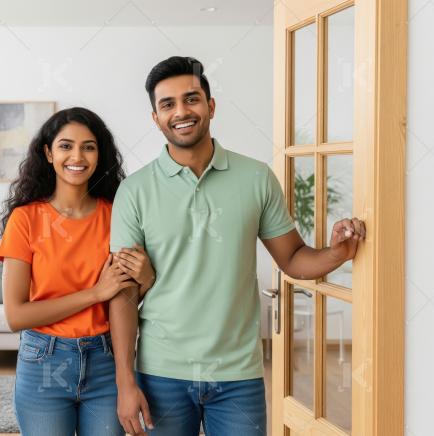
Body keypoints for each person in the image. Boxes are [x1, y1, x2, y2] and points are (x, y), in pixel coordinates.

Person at [108, 56, 366, 436]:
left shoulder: (256, 177)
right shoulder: (134, 191)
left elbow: (293, 258)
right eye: (168, 104)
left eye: (191, 99)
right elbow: (123, 293)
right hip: (161, 372)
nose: (181, 111)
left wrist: (336, 254)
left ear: (210, 106)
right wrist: (125, 382)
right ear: (156, 117)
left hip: (237, 376)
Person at [0, 107, 156, 436]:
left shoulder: (117, 215)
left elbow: (124, 297)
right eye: (66, 145)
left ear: (100, 154)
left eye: (89, 146)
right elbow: (16, 315)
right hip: (43, 362)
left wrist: (148, 280)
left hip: (106, 360)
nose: (77, 156)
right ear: (48, 153)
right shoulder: (25, 220)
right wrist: (94, 293)